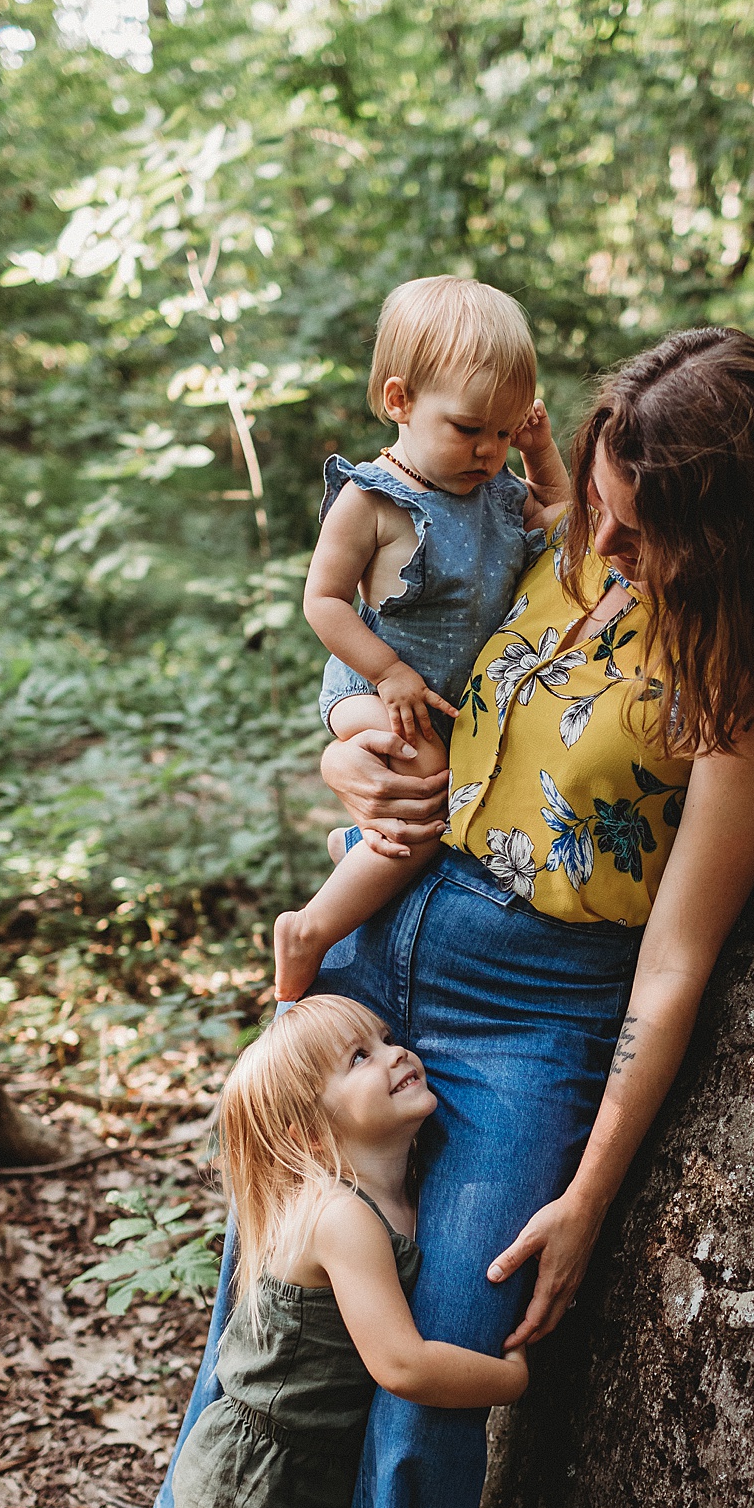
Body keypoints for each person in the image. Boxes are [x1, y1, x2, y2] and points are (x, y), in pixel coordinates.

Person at [159, 326, 754, 1508]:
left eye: (641, 522)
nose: (604, 538)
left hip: (536, 1018)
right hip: (386, 947)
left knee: (433, 1382)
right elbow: (403, 679)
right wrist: (355, 747)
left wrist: (592, 1190)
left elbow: (669, 971)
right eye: (598, 495)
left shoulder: (747, 693)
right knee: (269, 1294)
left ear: (729, 528)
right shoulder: (546, 534)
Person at [95, 996, 526, 1508]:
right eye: (357, 1060)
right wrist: (509, 1379)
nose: (395, 1054)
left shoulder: (395, 1190)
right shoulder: (338, 1216)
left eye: (385, 1039)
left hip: (311, 1476)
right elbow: (400, 1363)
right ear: (308, 1129)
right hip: (252, 1481)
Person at [281, 276, 571, 1000]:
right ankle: (311, 930)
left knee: (431, 797)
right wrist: (386, 673)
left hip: (444, 697)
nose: (487, 450)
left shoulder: (502, 491)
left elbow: (567, 517)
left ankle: (356, 853)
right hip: (375, 684)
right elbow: (323, 602)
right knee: (428, 798)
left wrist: (537, 454)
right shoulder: (374, 499)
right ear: (400, 401)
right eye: (470, 429)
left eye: (505, 431)